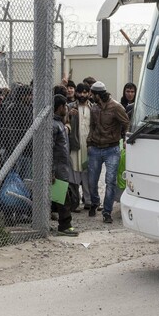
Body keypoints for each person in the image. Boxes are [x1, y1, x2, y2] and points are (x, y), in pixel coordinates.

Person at [87, 81, 130, 223]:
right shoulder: (94, 108)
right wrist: (89, 141)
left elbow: (126, 122)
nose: (90, 96)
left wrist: (124, 138)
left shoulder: (116, 107)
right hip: (95, 147)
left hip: (112, 149)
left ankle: (107, 212)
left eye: (92, 94)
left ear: (98, 95)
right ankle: (94, 202)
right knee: (92, 181)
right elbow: (92, 126)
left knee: (110, 181)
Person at [52, 94, 79, 236]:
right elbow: (49, 150)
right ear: (60, 107)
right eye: (65, 107)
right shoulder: (54, 125)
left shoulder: (58, 123)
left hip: (62, 167)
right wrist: (51, 171)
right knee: (63, 197)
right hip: (58, 169)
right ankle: (65, 225)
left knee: (61, 196)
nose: (67, 109)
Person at [68, 83, 93, 212]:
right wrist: (68, 114)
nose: (82, 95)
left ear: (89, 94)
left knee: (87, 175)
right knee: (74, 175)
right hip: (75, 146)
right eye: (80, 92)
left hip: (88, 146)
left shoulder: (93, 108)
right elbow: (63, 122)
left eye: (85, 92)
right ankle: (75, 203)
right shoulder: (70, 107)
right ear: (76, 93)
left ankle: (88, 201)